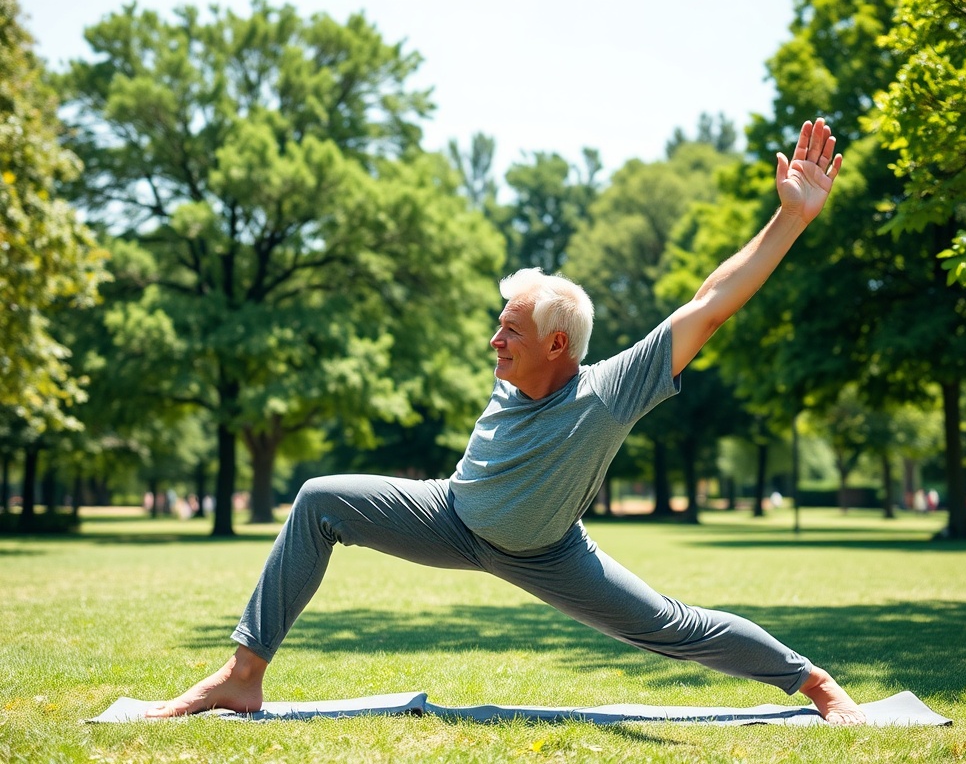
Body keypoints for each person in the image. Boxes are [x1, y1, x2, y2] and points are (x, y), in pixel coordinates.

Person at [147, 118, 864, 725]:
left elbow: (710, 301)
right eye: (498, 327)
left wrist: (792, 215)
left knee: (670, 628)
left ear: (557, 345)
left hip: (549, 554)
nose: (495, 342)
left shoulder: (610, 390)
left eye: (509, 333)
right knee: (318, 499)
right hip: (450, 516)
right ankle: (242, 676)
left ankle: (814, 683)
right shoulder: (510, 371)